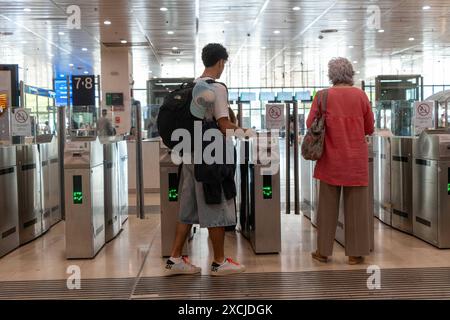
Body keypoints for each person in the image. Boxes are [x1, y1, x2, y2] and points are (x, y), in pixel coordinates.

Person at [165, 43, 249, 276]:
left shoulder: (193, 85)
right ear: (221, 62)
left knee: (188, 208)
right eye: (224, 64)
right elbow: (223, 125)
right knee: (217, 204)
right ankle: (219, 261)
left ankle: (174, 259)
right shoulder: (217, 88)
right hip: (211, 156)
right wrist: (247, 132)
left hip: (191, 155)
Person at [307, 57, 375, 265]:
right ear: (350, 74)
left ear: (331, 75)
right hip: (356, 161)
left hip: (330, 160)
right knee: (357, 209)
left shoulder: (322, 96)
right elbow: (369, 127)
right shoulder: (361, 96)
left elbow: (310, 123)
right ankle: (355, 253)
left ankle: (323, 251)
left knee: (327, 209)